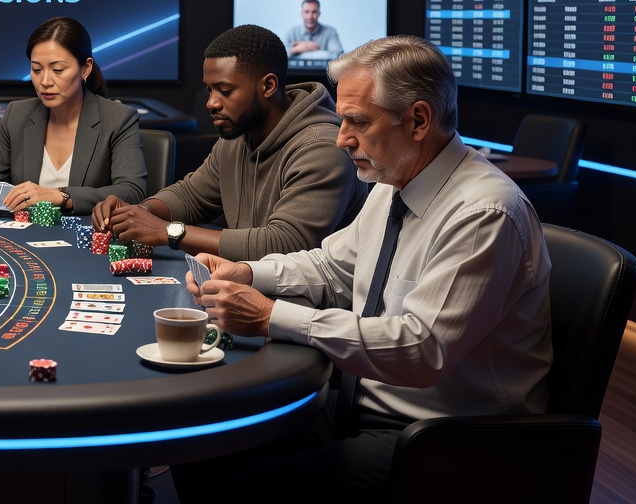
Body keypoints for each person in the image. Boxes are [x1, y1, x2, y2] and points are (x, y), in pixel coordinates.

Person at [178, 35, 552, 503]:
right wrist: (249, 274)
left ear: (418, 120)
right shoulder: (393, 180)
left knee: (249, 490)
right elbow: (332, 266)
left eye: (357, 121)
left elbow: (421, 349)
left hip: (441, 438)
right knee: (200, 448)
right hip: (359, 405)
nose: (341, 138)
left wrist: (270, 317)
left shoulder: (484, 213)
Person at [92, 24, 365, 259]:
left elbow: (286, 243)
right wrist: (139, 213)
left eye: (225, 91)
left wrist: (166, 231)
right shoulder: (237, 135)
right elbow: (191, 196)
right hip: (250, 285)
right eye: (210, 90)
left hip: (312, 307)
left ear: (268, 86)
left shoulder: (322, 148)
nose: (211, 103)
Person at [0, 17, 145, 216]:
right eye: (36, 70)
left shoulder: (118, 119)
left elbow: (132, 192)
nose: (45, 81)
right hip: (24, 237)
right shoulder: (17, 114)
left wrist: (61, 196)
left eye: (58, 70)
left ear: (86, 68)